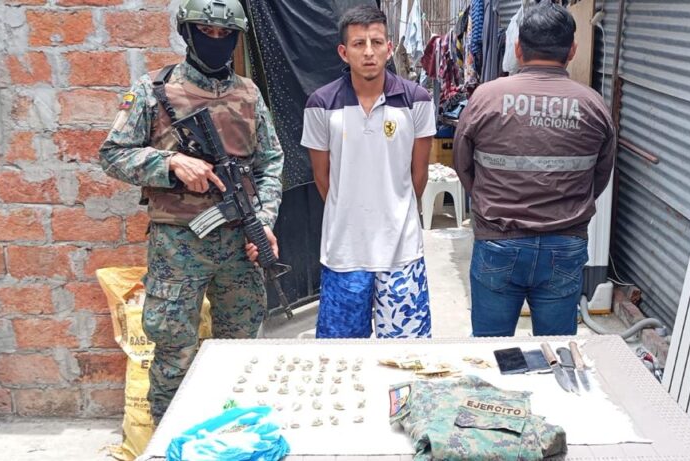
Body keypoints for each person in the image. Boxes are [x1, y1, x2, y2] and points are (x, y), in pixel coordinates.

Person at [98, 0, 283, 423]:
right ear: (187, 32)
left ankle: (234, 431)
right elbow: (112, 154)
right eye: (206, 32)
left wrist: (264, 222)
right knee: (174, 352)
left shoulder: (249, 94)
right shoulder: (153, 90)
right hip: (178, 246)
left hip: (239, 243)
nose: (215, 41)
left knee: (241, 350)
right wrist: (170, 164)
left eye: (225, 34)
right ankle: (170, 438)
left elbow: (271, 163)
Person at [453, 2, 616, 337]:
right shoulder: (593, 105)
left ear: (517, 49)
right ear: (572, 50)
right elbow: (600, 176)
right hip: (565, 244)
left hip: (498, 241)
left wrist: (489, 201)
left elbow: (463, 164)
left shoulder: (486, 97)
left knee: (489, 351)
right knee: (556, 350)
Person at [301, 5, 436, 339]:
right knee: (343, 357)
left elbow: (419, 175)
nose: (369, 52)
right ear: (343, 52)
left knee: (407, 354)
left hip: (401, 251)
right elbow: (322, 178)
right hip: (344, 252)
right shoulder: (321, 104)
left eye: (376, 42)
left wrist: (394, 209)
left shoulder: (417, 100)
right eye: (359, 44)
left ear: (389, 48)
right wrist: (349, 209)